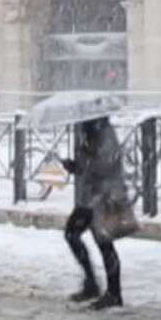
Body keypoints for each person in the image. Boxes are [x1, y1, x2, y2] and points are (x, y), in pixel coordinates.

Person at [62, 115, 131, 308]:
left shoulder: (105, 134)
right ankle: (92, 283)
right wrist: (75, 166)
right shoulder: (90, 132)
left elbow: (105, 164)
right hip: (90, 197)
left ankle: (114, 294)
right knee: (72, 234)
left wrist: (84, 163)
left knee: (104, 242)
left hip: (105, 196)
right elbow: (88, 165)